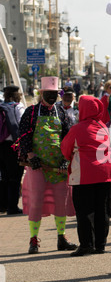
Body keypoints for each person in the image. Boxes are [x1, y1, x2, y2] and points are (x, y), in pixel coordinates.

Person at [18, 77, 77, 254]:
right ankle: (34, 240)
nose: (52, 97)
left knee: (62, 201)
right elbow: (24, 135)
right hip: (38, 166)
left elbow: (67, 137)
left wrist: (66, 158)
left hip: (58, 166)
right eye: (49, 94)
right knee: (36, 202)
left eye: (55, 94)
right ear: (42, 94)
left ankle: (61, 237)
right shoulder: (31, 112)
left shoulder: (62, 113)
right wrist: (31, 156)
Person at [61, 95, 111, 256]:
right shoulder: (104, 127)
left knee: (84, 211)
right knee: (102, 209)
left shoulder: (77, 129)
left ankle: (86, 244)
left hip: (84, 174)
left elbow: (65, 149)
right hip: (105, 173)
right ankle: (100, 244)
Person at [0, 85, 25, 215]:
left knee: (4, 177)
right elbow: (21, 127)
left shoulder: (1, 107)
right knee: (15, 177)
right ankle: (12, 206)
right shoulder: (18, 107)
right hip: (12, 146)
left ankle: (2, 205)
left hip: (0, 145)